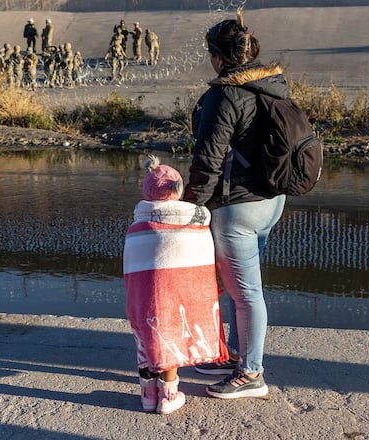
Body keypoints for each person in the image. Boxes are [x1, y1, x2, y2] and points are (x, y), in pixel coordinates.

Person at [181, 8, 287, 399]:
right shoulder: (273, 84)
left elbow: (207, 159)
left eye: (210, 53)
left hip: (238, 207)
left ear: (219, 56)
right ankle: (237, 355)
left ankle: (252, 373)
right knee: (241, 285)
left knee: (245, 293)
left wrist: (189, 207)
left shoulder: (224, 94)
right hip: (272, 200)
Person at [123, 155, 229, 414]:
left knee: (145, 337)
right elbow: (201, 261)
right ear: (178, 190)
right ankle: (168, 396)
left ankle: (148, 395)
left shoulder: (136, 227)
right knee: (168, 337)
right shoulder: (196, 220)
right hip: (174, 296)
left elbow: (130, 266)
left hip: (141, 296)